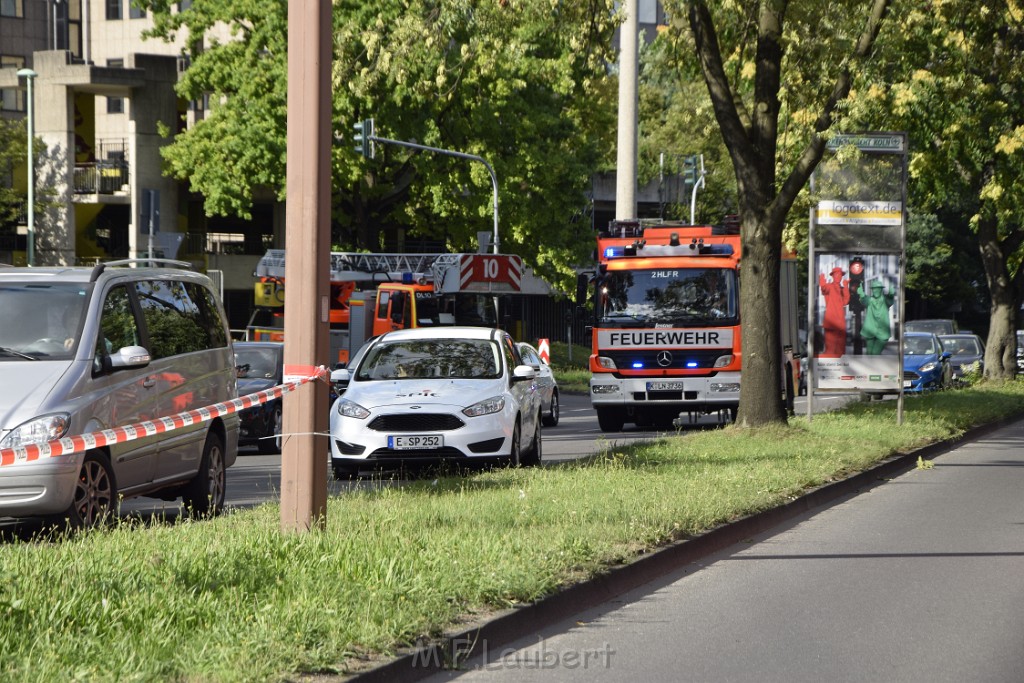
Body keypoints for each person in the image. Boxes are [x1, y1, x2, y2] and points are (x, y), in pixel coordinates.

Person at [818, 266, 850, 357]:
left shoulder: (842, 289)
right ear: (833, 276)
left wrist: (846, 286)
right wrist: (822, 281)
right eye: (836, 274)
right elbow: (824, 289)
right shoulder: (829, 286)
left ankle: (840, 370)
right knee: (830, 351)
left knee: (840, 352)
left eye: (840, 275)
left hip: (840, 323)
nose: (838, 276)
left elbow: (846, 301)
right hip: (831, 322)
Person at [858, 279, 896, 355]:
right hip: (870, 330)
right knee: (869, 353)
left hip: (882, 332)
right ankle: (869, 366)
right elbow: (864, 299)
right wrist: (861, 294)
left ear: (881, 290)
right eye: (874, 289)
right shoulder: (869, 300)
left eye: (877, 289)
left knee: (875, 353)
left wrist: (891, 293)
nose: (875, 291)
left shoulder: (885, 300)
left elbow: (890, 298)